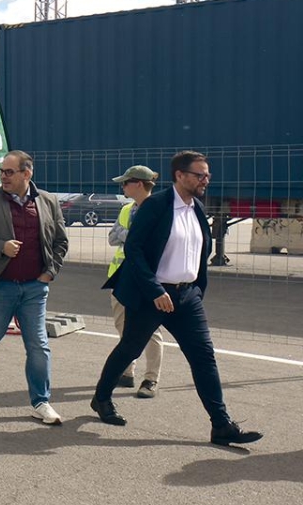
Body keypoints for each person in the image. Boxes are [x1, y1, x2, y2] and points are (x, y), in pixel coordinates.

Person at [90, 151, 262, 446]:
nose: (205, 180)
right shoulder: (156, 206)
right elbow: (135, 250)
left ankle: (221, 425)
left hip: (186, 297)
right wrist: (155, 290)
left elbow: (199, 252)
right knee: (130, 348)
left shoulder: (196, 207)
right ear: (180, 176)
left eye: (207, 175)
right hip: (152, 295)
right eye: (200, 175)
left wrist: (195, 290)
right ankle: (101, 398)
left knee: (203, 357)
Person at [0, 150, 69, 425]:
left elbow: (60, 241)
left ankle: (41, 402)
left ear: (26, 173)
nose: (3, 177)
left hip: (34, 287)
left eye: (9, 172)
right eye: (2, 172)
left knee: (38, 345)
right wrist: (1, 247)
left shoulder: (48, 201)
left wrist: (50, 272)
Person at [105, 165, 164, 398]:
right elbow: (112, 237)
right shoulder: (126, 209)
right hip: (121, 277)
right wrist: (131, 237)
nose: (122, 187)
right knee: (123, 326)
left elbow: (150, 243)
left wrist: (127, 236)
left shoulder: (159, 210)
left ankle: (151, 379)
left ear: (138, 183)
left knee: (151, 331)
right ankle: (127, 372)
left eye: (125, 183)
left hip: (147, 279)